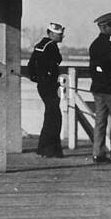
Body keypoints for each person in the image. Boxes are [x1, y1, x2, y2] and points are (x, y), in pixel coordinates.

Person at [28, 21, 65, 157]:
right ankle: (51, 150)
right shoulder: (51, 46)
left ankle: (44, 149)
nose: (61, 37)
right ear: (50, 34)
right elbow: (57, 61)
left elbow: (31, 64)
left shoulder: (40, 45)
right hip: (49, 86)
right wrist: (47, 78)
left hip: (42, 85)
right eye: (59, 34)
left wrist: (36, 77)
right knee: (54, 117)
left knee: (50, 115)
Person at [88, 12, 111, 163]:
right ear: (104, 27)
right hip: (109, 89)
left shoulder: (94, 45)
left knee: (100, 121)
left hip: (97, 88)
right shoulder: (109, 46)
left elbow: (94, 69)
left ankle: (97, 152)